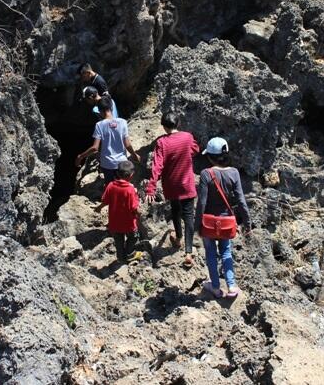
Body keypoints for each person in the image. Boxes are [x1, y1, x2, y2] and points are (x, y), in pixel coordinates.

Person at [196, 137, 251, 299]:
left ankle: (215, 287)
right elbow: (241, 200)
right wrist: (247, 222)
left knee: (211, 253)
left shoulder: (206, 174)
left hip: (208, 223)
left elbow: (202, 203)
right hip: (226, 223)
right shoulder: (234, 173)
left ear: (210, 157)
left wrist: (197, 224)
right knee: (226, 252)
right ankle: (232, 286)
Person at [145, 113, 199, 267]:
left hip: (171, 185)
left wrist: (151, 188)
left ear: (163, 126)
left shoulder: (162, 142)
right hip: (186, 183)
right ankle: (188, 253)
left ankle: (178, 238)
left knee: (176, 210)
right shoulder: (187, 137)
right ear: (178, 123)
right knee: (189, 215)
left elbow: (157, 166)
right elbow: (195, 149)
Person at [75, 96, 140, 185]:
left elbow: (95, 148)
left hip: (107, 164)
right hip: (121, 163)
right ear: (111, 107)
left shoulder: (99, 125)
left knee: (110, 185)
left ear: (99, 110)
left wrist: (80, 156)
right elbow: (127, 144)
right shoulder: (123, 122)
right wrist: (134, 155)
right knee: (122, 186)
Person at [95, 160, 142, 263]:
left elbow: (105, 201)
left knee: (118, 241)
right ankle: (129, 254)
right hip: (128, 223)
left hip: (114, 222)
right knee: (134, 237)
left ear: (117, 173)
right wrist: (140, 213)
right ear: (131, 175)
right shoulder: (130, 190)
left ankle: (120, 258)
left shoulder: (111, 185)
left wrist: (99, 208)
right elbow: (135, 208)